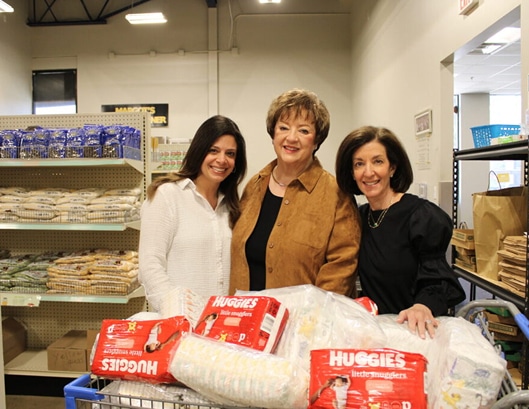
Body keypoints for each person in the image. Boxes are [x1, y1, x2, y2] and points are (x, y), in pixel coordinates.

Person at [335, 125, 466, 339]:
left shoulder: (421, 217)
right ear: (352, 172)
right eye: (359, 164)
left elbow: (438, 280)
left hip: (416, 331)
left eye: (378, 161)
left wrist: (423, 305)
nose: (368, 172)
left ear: (392, 167)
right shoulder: (358, 217)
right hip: (377, 333)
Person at [229, 88, 360, 296]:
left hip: (303, 323)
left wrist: (310, 320)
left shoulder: (336, 194)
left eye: (304, 131)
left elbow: (342, 266)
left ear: (316, 141)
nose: (291, 138)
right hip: (247, 318)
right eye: (283, 128)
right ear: (273, 134)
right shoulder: (254, 186)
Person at [139, 115, 247, 312]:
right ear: (199, 151)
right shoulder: (168, 195)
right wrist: (176, 311)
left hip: (220, 325)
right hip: (179, 324)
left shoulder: (231, 207)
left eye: (230, 154)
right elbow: (150, 265)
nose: (222, 160)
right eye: (213, 150)